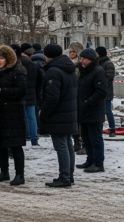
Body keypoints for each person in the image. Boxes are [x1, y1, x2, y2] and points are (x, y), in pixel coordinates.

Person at [0, 46, 28, 186]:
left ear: (8, 59)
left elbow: (21, 91)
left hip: (13, 113)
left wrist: (2, 91)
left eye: (2, 58)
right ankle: (4, 172)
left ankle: (20, 174)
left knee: (15, 145)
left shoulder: (17, 72)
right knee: (0, 144)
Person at [40, 43, 78, 187]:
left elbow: (52, 97)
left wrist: (44, 113)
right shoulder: (68, 68)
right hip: (68, 112)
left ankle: (64, 177)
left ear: (48, 55)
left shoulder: (53, 71)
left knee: (61, 146)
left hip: (58, 114)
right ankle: (69, 175)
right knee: (68, 144)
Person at [76, 48, 107, 173]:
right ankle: (90, 160)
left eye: (83, 58)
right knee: (86, 138)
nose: (81, 60)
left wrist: (87, 102)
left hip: (94, 111)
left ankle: (98, 163)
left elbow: (101, 92)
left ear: (90, 59)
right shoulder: (85, 71)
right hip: (84, 111)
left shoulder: (98, 71)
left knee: (95, 138)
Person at [16, 44, 43, 147]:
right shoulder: (33, 64)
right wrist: (36, 92)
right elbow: (40, 79)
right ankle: (34, 140)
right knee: (32, 118)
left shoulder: (16, 63)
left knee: (19, 118)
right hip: (31, 95)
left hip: (19, 95)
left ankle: (20, 138)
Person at [67, 40, 85, 153]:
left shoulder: (82, 64)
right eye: (69, 52)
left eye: (73, 52)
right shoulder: (68, 63)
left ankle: (82, 142)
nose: (71, 54)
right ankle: (76, 141)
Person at [97, 47, 117, 137]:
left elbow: (109, 78)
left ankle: (112, 129)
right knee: (99, 112)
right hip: (97, 92)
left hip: (106, 93)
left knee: (107, 111)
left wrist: (99, 85)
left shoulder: (108, 64)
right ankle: (99, 129)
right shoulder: (97, 63)